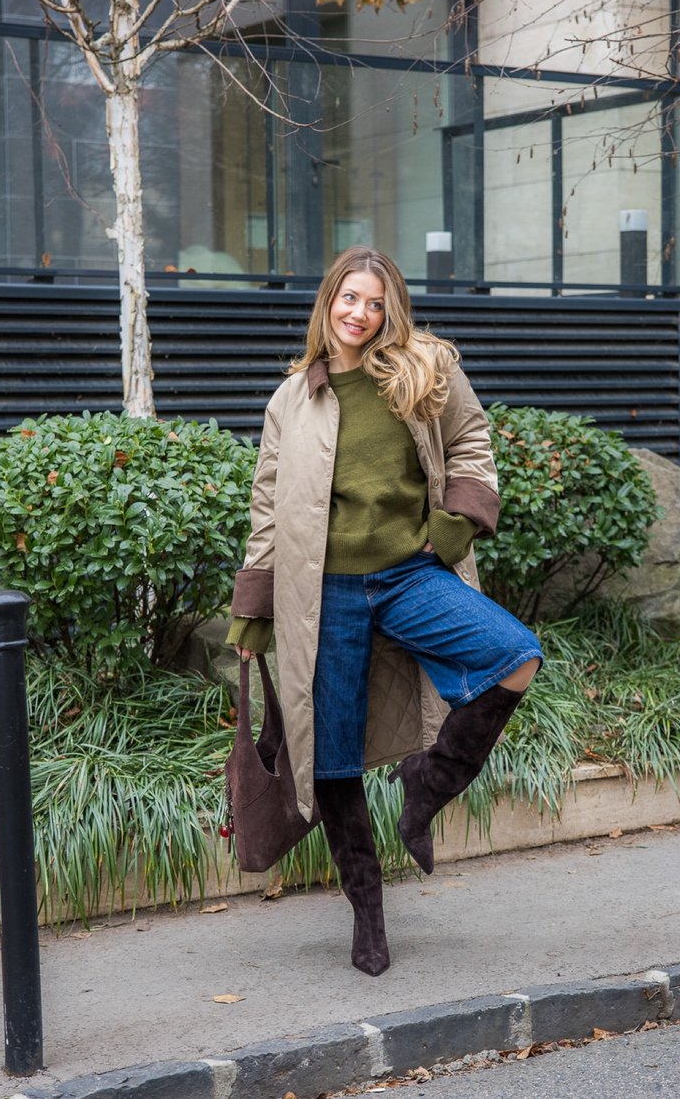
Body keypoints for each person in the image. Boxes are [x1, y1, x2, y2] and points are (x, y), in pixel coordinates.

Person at [226, 246, 542, 977]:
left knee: (514, 653)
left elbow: (471, 440)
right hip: (325, 594)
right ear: (327, 300)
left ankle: (425, 788)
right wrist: (253, 609)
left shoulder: (422, 368)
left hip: (411, 575)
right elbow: (268, 511)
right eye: (349, 299)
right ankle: (366, 911)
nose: (360, 315)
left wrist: (454, 523)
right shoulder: (291, 401)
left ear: (390, 307)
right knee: (332, 757)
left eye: (375, 302)